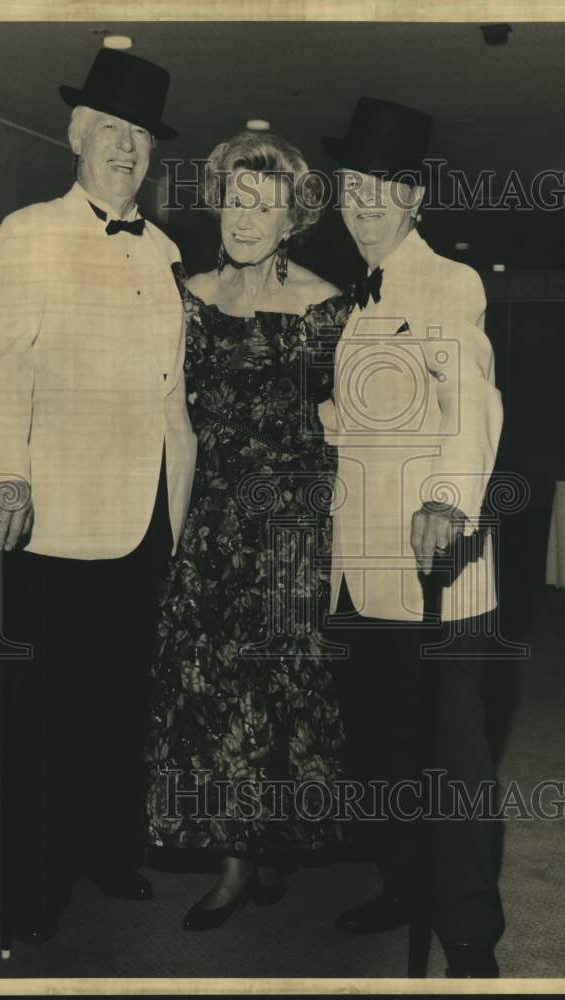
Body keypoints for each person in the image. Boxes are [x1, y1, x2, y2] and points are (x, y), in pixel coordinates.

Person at [0, 48, 197, 946]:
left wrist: (187, 512)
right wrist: (6, 478)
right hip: (54, 517)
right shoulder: (28, 233)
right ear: (77, 137)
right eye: (111, 131)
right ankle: (29, 893)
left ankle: (106, 849)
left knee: (119, 705)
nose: (127, 149)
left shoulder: (171, 251)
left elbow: (174, 398)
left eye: (140, 135)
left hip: (146, 519)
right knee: (40, 718)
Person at [143, 129, 352, 931]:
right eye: (235, 198)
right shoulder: (187, 295)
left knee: (278, 687)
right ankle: (237, 860)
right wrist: (178, 532)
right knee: (215, 687)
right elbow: (177, 422)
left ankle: (261, 847)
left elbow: (344, 422)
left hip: (293, 520)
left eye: (263, 205)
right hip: (216, 516)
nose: (244, 216)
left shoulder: (326, 303)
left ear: (290, 218)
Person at [319, 97, 505, 977]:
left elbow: (469, 404)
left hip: (435, 566)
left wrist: (447, 501)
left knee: (452, 762)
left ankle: (467, 927)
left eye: (382, 187)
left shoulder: (446, 284)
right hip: (359, 574)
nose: (362, 202)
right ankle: (402, 884)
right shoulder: (354, 298)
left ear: (415, 198)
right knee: (385, 749)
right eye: (352, 184)